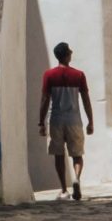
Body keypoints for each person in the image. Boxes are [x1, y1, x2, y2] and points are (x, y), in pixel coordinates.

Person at [39, 43, 94, 200]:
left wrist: (41, 122)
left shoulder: (49, 75)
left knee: (58, 154)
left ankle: (63, 189)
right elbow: (85, 99)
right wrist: (90, 121)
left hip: (56, 119)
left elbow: (44, 99)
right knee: (77, 154)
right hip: (74, 119)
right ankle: (76, 178)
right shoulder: (79, 75)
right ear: (67, 55)